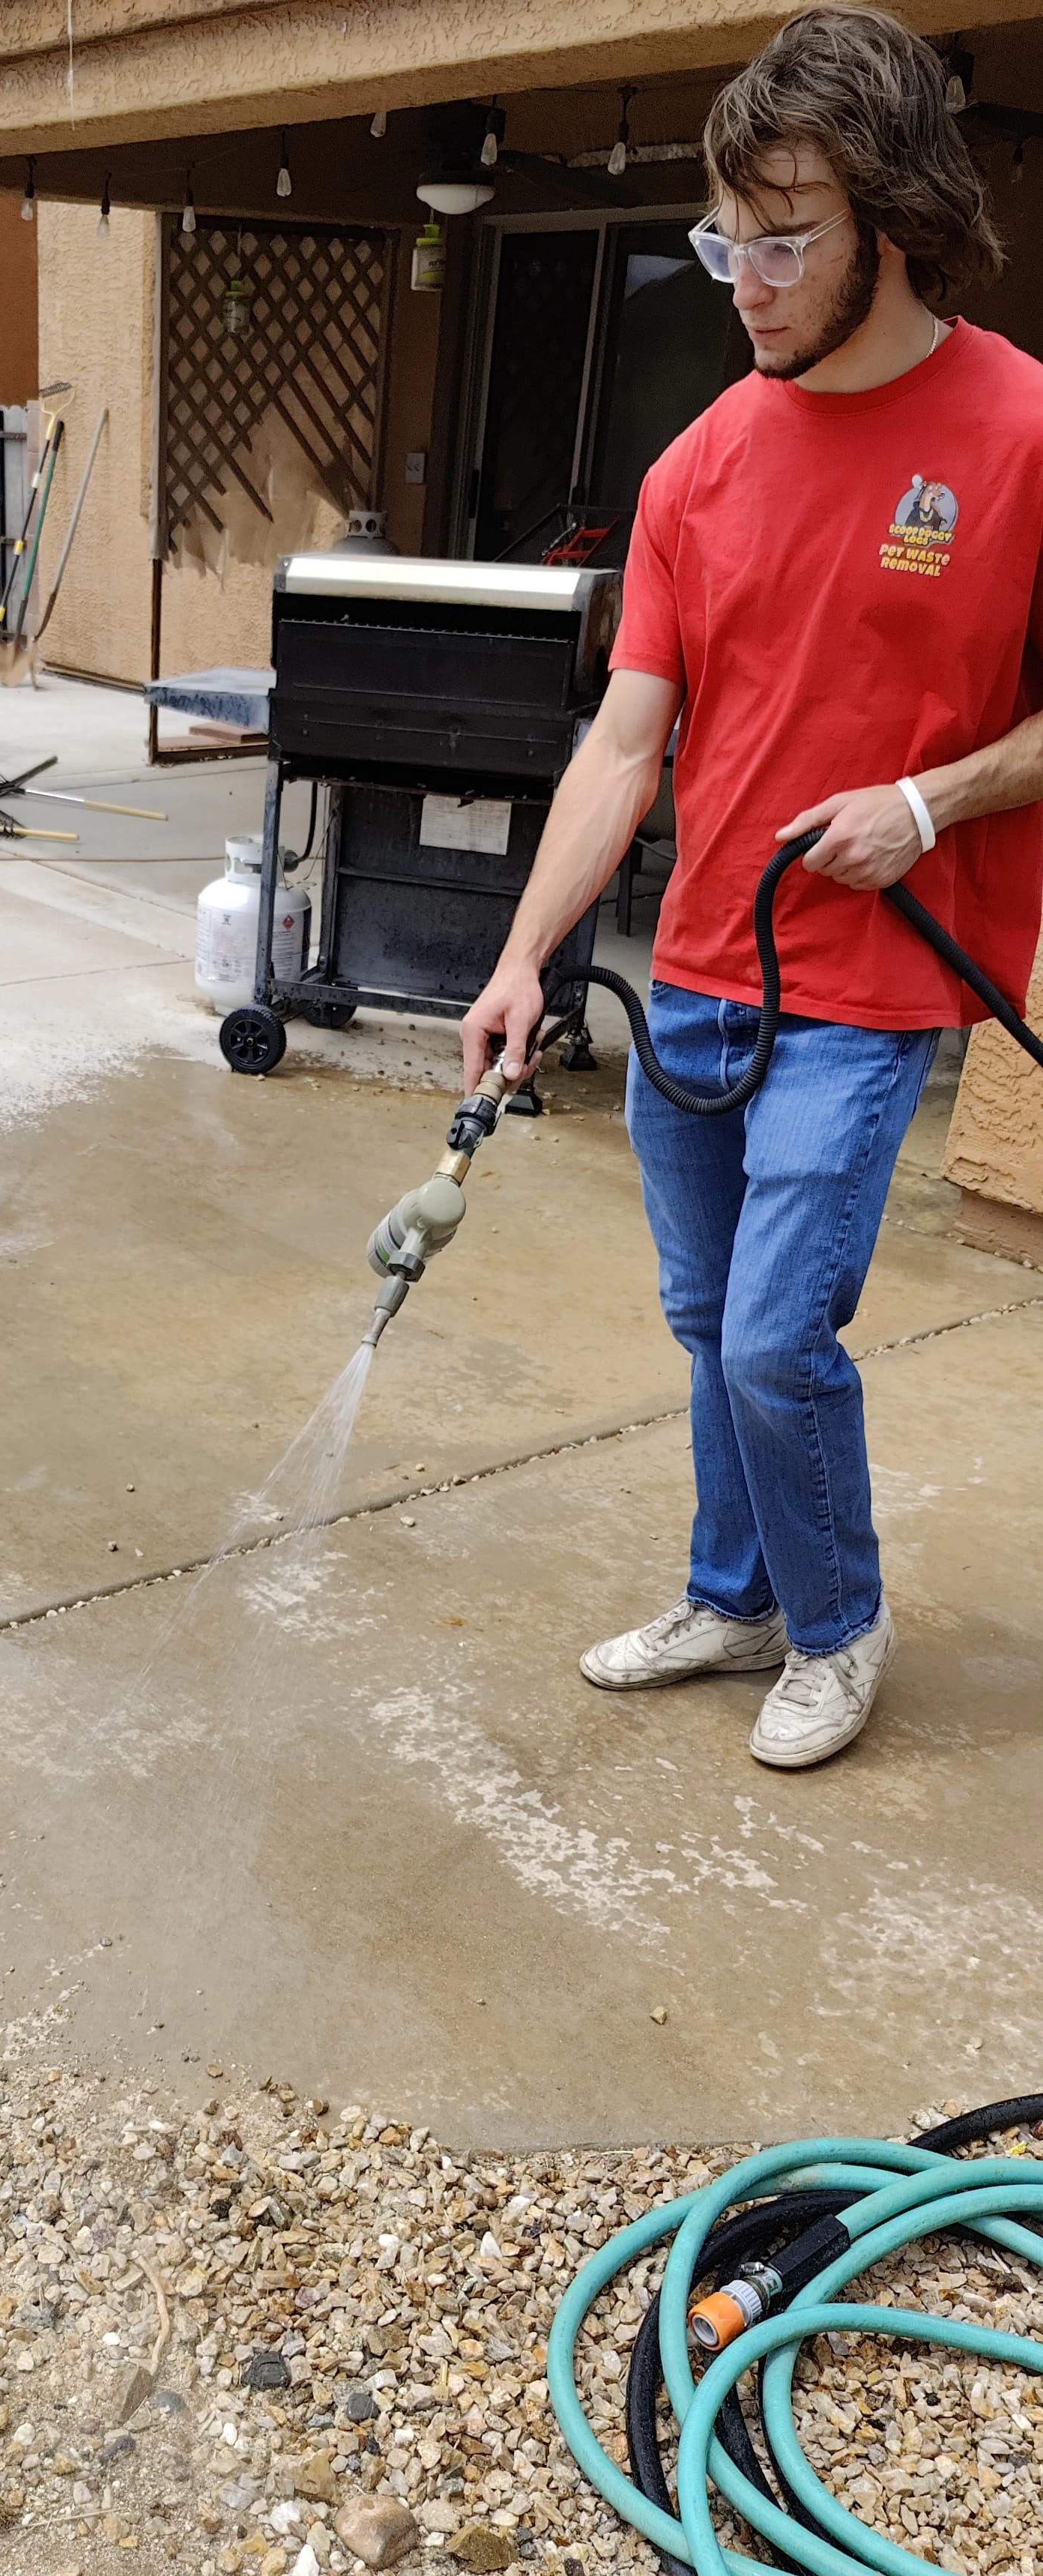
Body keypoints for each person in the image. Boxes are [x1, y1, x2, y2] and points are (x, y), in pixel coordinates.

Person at [462, 4, 1043, 1770]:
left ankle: (838, 1620)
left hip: (869, 980)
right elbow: (625, 743)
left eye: (785, 238)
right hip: (703, 967)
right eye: (727, 237)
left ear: (893, 219)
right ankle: (735, 1594)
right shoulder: (698, 463)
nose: (746, 277)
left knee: (782, 1330)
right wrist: (522, 955)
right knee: (707, 1320)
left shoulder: (1019, 432)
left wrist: (928, 804)